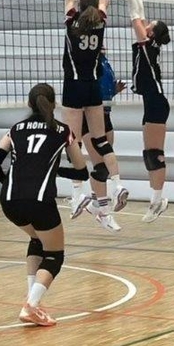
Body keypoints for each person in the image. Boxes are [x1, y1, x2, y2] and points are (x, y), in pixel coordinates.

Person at [0, 83, 88, 327]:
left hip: (9, 200)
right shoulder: (63, 130)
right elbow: (82, 172)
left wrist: (8, 183)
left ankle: (33, 300)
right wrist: (53, 170)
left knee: (37, 240)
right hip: (40, 200)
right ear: (54, 104)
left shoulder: (15, 129)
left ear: (29, 104)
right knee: (54, 255)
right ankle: (31, 306)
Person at [61, 0, 127, 231]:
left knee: (72, 141)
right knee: (100, 140)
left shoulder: (71, 20)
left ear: (78, 4)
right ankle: (117, 184)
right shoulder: (100, 21)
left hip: (73, 87)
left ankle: (77, 195)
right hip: (93, 87)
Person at [120, 0, 171, 222]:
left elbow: (134, 15)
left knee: (154, 154)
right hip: (153, 103)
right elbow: (139, 14)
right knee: (148, 154)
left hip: (157, 104)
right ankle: (156, 200)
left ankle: (158, 201)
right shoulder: (148, 44)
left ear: (152, 33)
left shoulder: (147, 45)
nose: (146, 23)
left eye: (151, 24)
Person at [70, 48, 128, 231]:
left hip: (105, 115)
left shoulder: (104, 62)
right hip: (90, 118)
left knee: (103, 166)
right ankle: (103, 212)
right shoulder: (86, 64)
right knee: (100, 166)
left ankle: (95, 204)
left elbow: (102, 90)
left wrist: (114, 91)